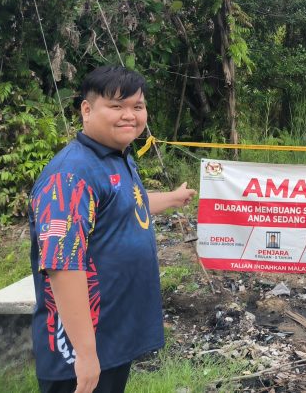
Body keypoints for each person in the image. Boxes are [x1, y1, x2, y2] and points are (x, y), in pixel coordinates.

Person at [28, 66, 196, 393]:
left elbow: (127, 203)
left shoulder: (117, 157)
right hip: (78, 345)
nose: (129, 116)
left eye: (137, 106)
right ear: (87, 110)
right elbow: (62, 266)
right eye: (116, 106)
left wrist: (173, 199)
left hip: (112, 331)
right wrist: (86, 354)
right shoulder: (70, 175)